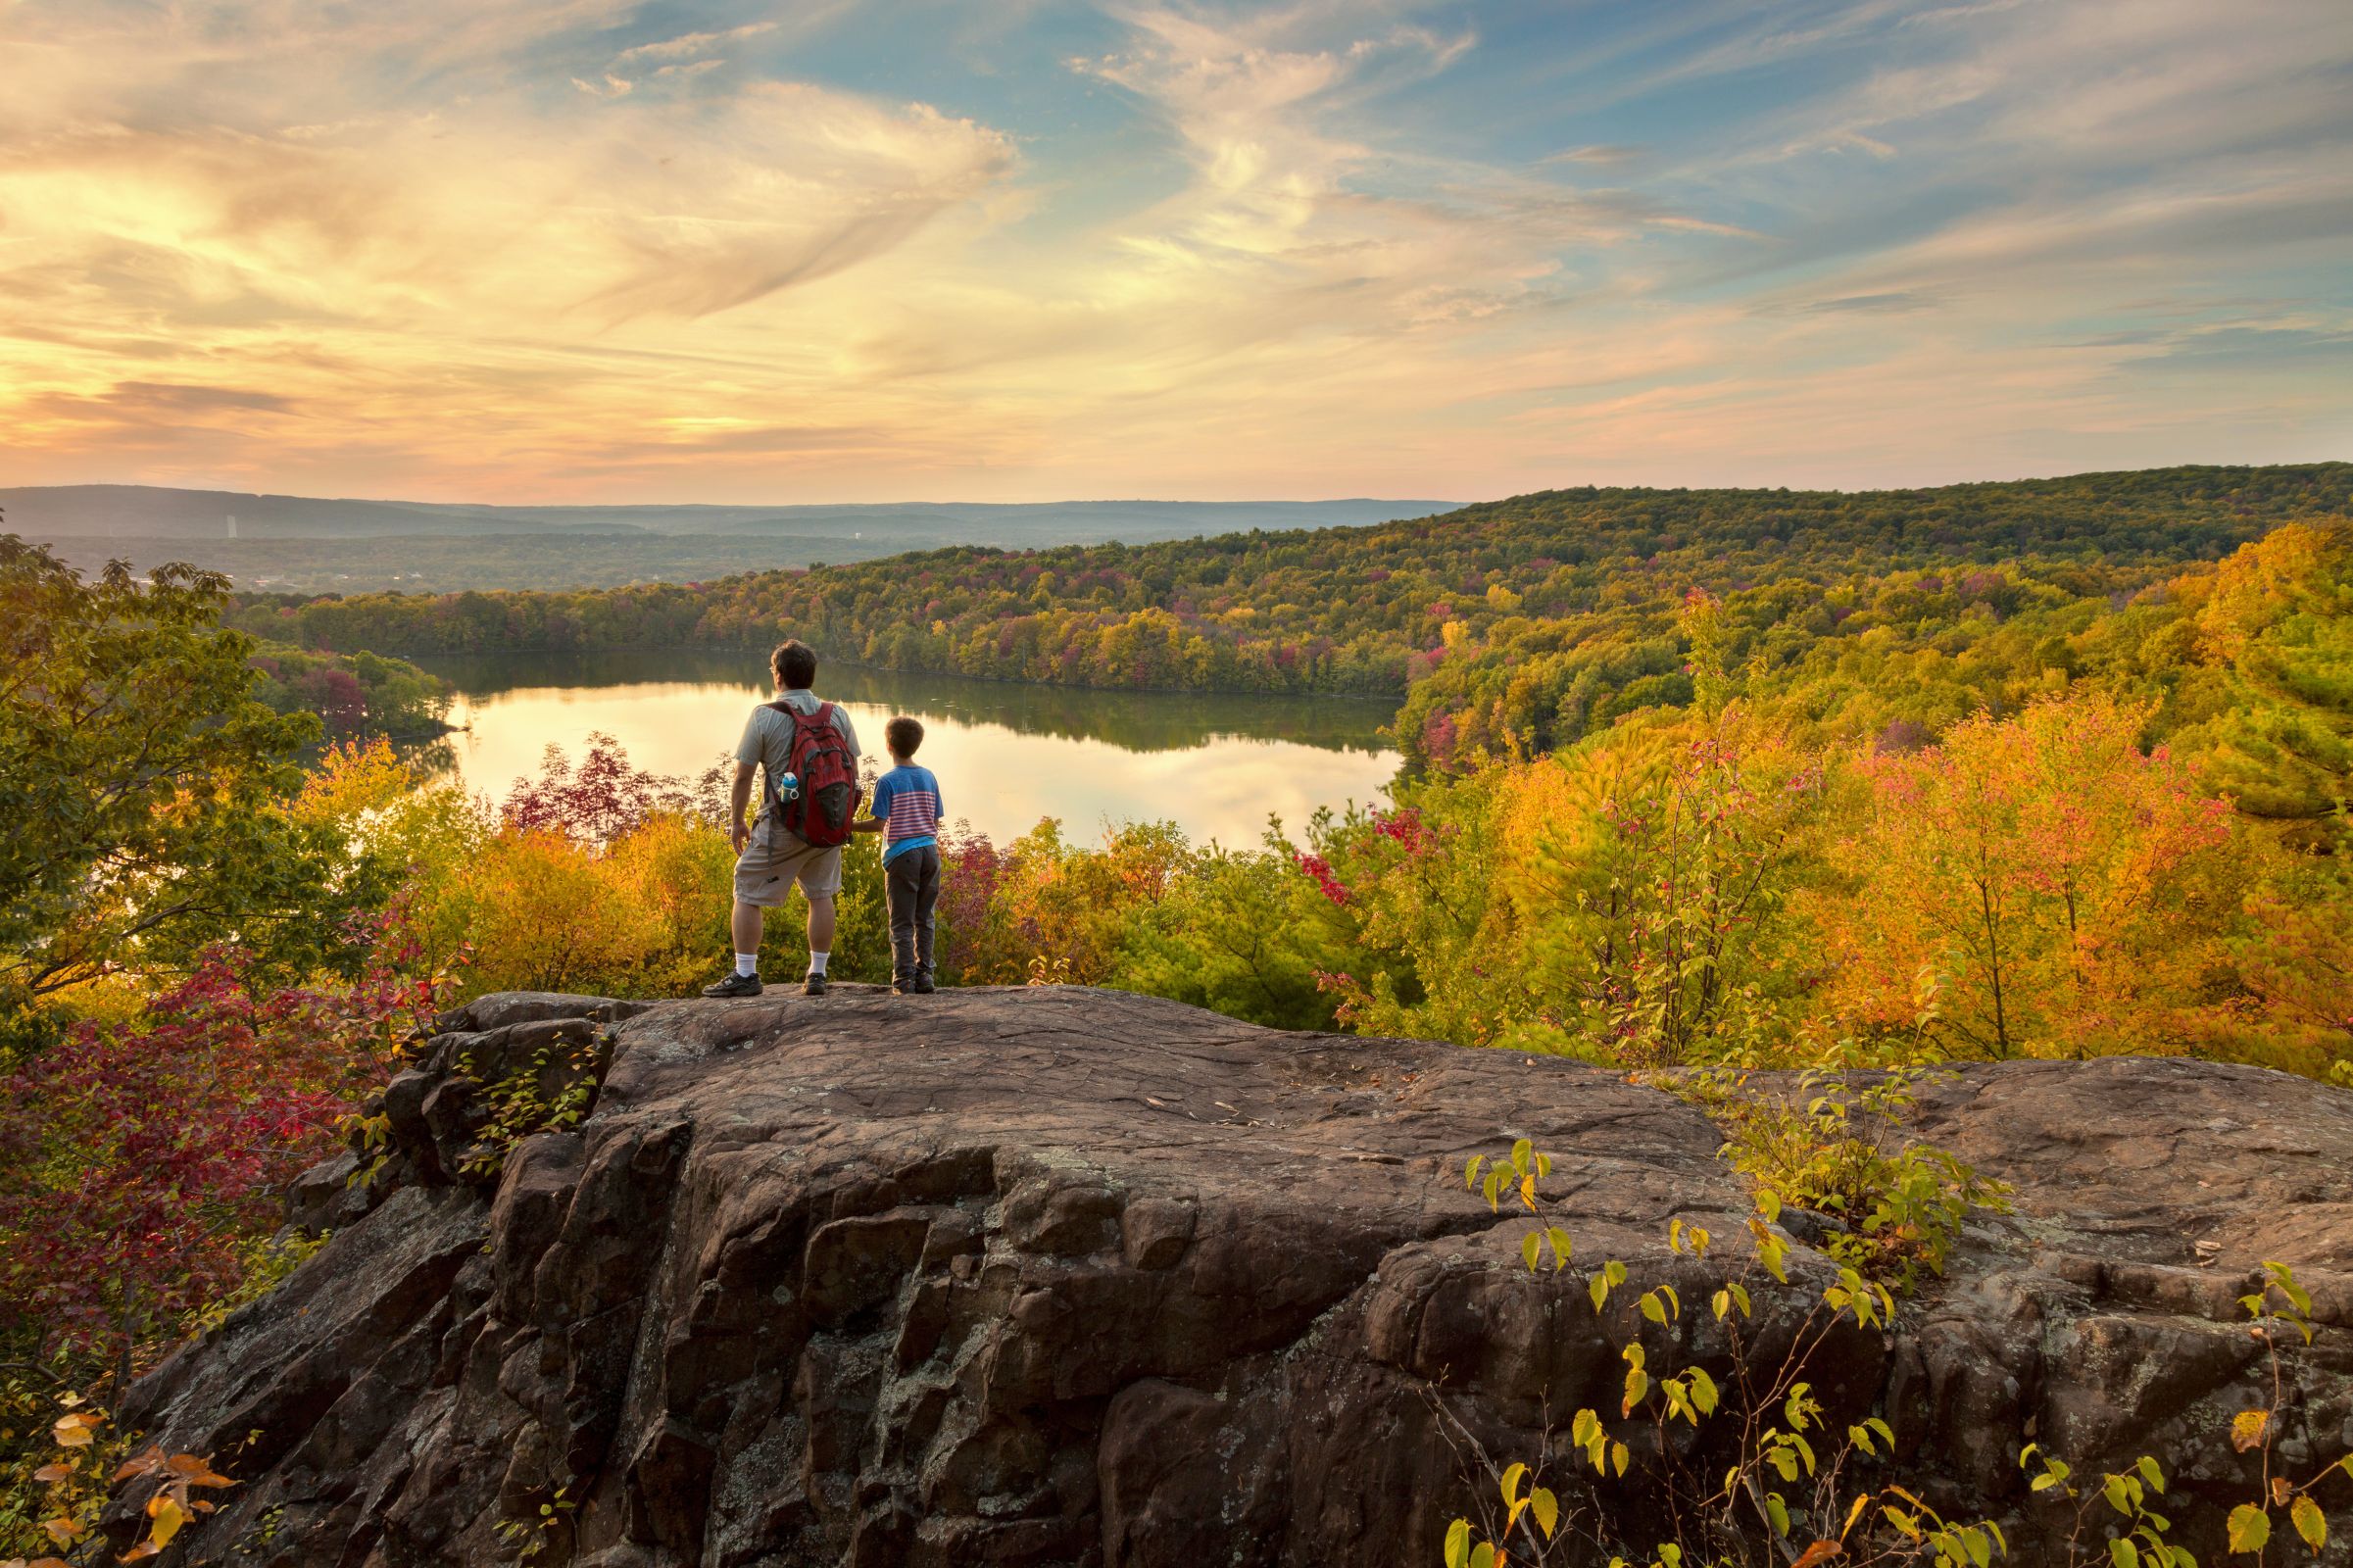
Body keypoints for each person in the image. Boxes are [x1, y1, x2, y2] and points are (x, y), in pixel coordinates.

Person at [703, 639, 859, 999]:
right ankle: (817, 974)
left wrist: (737, 821)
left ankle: (746, 974)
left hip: (782, 825)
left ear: (779, 676)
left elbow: (743, 775)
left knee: (746, 887)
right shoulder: (837, 714)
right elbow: (852, 769)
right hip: (829, 824)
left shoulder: (764, 715)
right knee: (821, 895)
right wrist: (840, 817)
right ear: (811, 675)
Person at [855, 716, 944, 995]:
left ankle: (904, 980)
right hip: (930, 852)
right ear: (916, 745)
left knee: (901, 922)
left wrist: (847, 826)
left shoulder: (887, 781)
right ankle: (925, 975)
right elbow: (935, 820)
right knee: (925, 917)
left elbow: (878, 824)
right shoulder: (929, 776)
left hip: (903, 855)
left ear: (889, 745)